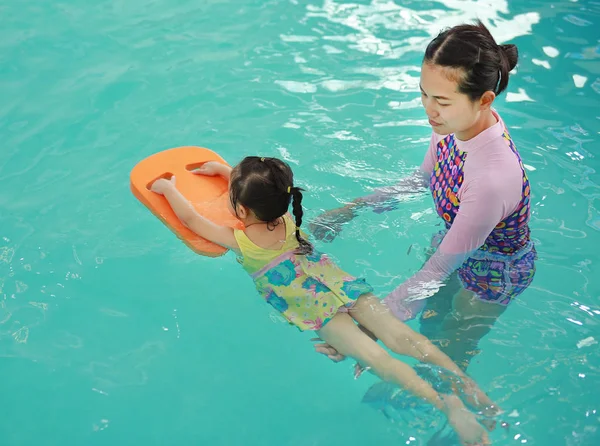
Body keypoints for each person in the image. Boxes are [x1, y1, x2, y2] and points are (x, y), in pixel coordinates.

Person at [151, 156, 495, 445]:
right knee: (403, 338)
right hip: (336, 282)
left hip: (313, 307)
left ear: (240, 208)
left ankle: (445, 403)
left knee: (377, 357)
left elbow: (192, 220)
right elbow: (264, 195)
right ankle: (470, 389)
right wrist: (228, 174)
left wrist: (169, 189)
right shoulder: (286, 215)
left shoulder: (239, 240)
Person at [310, 21, 537, 371]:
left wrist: (369, 330)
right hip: (455, 240)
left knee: (449, 350)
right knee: (429, 321)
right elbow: (422, 179)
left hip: (494, 271)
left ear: (485, 100)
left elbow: (438, 268)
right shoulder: (453, 125)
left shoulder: (492, 177)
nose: (428, 110)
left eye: (442, 101)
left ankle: (445, 407)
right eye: (424, 94)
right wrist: (352, 210)